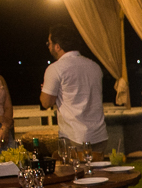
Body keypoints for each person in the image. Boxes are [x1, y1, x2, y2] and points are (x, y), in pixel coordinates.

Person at [40, 25, 107, 154]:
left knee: (74, 167)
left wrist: (47, 90)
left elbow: (46, 102)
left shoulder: (56, 68)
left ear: (57, 46)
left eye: (49, 43)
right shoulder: (94, 66)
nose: (48, 46)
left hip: (74, 137)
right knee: (97, 167)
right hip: (99, 135)